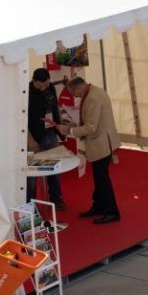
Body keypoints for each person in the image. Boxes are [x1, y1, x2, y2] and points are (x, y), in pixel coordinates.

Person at [55, 77, 121, 224]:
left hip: (101, 143)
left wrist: (70, 129)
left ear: (77, 88)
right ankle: (98, 206)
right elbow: (92, 121)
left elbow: (91, 127)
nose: (74, 97)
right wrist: (74, 125)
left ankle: (112, 211)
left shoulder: (92, 98)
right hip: (104, 140)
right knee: (100, 178)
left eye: (73, 93)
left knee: (102, 179)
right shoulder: (95, 91)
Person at [27, 68, 66, 211]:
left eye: (46, 85)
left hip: (49, 134)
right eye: (40, 86)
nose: (44, 88)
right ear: (34, 80)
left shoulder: (51, 88)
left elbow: (55, 108)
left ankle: (57, 198)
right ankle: (30, 206)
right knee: (31, 174)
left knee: (54, 168)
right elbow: (21, 119)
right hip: (32, 137)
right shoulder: (26, 93)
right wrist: (30, 141)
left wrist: (60, 129)